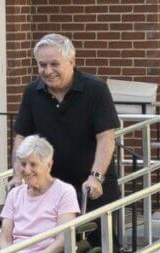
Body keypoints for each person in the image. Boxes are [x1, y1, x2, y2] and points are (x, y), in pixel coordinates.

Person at [11, 34, 119, 210]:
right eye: (42, 65)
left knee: (98, 236)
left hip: (89, 186)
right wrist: (18, 175)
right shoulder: (32, 92)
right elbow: (22, 137)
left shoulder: (95, 89)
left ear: (71, 61)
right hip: (48, 186)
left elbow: (106, 137)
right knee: (49, 237)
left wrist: (96, 176)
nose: (47, 71)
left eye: (54, 64)